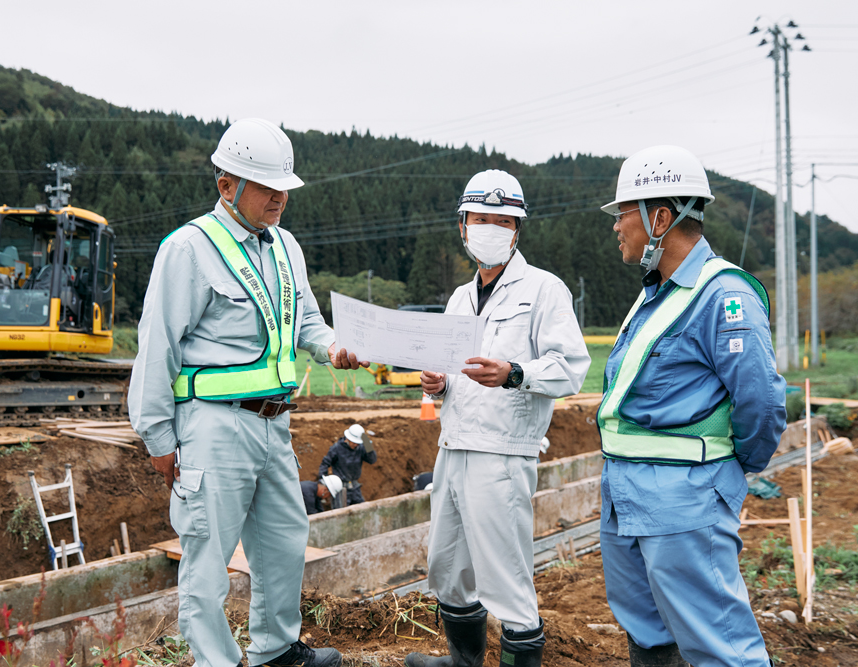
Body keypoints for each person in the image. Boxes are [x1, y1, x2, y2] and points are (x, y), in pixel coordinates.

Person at [128, 118, 367, 667]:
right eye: (267, 187)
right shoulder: (188, 249)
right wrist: (160, 439)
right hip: (212, 426)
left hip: (273, 424)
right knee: (208, 555)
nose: (280, 198)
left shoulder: (285, 247)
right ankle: (216, 660)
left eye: (284, 187)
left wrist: (331, 346)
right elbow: (156, 347)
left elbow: (305, 317)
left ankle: (276, 650)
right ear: (227, 185)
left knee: (284, 542)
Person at [598, 145, 786, 667]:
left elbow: (762, 403)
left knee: (721, 648)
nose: (616, 227)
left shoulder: (723, 294)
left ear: (660, 218)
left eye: (623, 215)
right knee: (649, 636)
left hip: (685, 502)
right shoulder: (655, 292)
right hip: (626, 499)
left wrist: (724, 473)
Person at [406, 170, 590, 667]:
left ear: (517, 228)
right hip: (455, 446)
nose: (490, 228)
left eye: (502, 220)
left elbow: (571, 369)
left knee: (506, 580)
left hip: (503, 454)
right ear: (463, 226)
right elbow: (453, 369)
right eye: (480, 219)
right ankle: (463, 661)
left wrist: (514, 373)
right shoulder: (460, 299)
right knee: (446, 568)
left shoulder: (544, 290)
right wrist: (440, 383)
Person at [318, 424, 377, 505]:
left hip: (354, 487)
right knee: (341, 513)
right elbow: (325, 463)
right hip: (340, 488)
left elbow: (372, 460)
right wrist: (323, 482)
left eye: (358, 443)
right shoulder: (337, 448)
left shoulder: (360, 448)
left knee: (362, 510)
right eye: (354, 442)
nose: (356, 445)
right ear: (348, 439)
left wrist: (368, 446)